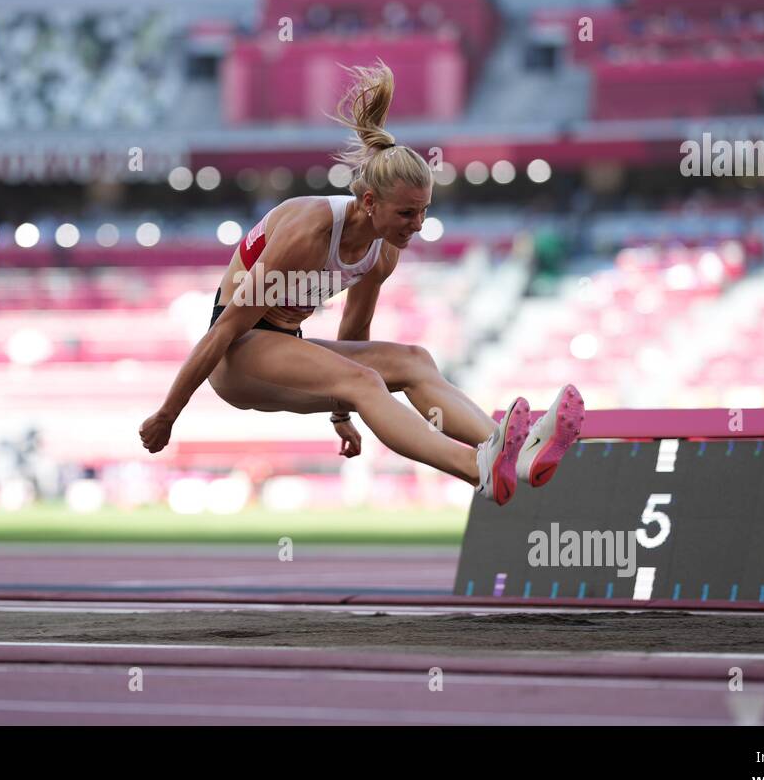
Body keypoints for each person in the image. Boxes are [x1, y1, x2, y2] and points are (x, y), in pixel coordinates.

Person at [139, 61, 584, 505]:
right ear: (369, 202)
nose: (419, 224)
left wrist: (340, 414)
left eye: (425, 211)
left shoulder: (382, 249)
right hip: (237, 357)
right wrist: (168, 413)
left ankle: (515, 454)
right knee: (367, 380)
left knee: (413, 360)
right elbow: (225, 329)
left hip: (285, 350)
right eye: (407, 213)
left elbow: (353, 335)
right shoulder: (307, 231)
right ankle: (476, 469)